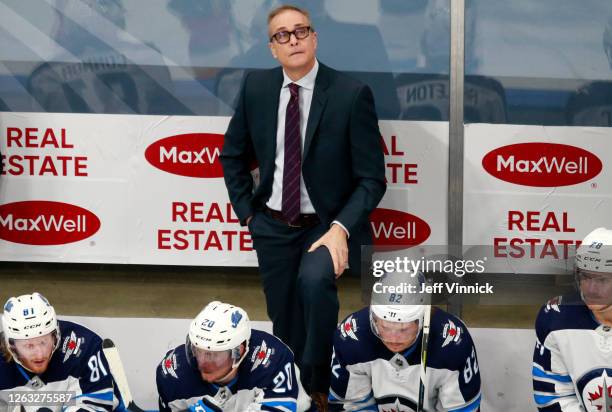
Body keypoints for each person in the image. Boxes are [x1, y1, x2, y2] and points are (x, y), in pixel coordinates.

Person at [219, 4, 386, 406]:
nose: (292, 40)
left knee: (314, 285)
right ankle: (291, 389)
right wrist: (248, 215)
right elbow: (232, 156)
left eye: (300, 31)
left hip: (324, 226)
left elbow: (372, 179)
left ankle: (320, 386)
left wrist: (340, 228)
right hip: (272, 225)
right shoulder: (256, 88)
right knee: (284, 315)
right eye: (282, 35)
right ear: (272, 48)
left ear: (314, 38)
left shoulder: (350, 94)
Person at [328, 272, 482, 411]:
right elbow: (350, 405)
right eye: (385, 327)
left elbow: (462, 409)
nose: (393, 339)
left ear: (422, 319)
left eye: (403, 329)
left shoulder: (454, 344)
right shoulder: (350, 338)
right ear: (374, 319)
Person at [155, 301, 310, 411]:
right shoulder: (172, 375)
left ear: (239, 351)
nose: (203, 363)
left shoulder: (273, 361)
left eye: (214, 355)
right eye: (198, 351)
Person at [0, 292, 125, 411]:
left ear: (55, 335)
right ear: (11, 346)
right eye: (29, 346)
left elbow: (98, 402)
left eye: (44, 342)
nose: (39, 354)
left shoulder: (84, 346)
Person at [532, 227, 612, 411]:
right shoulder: (557, 318)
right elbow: (553, 395)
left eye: (601, 279)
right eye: (585, 276)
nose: (590, 289)